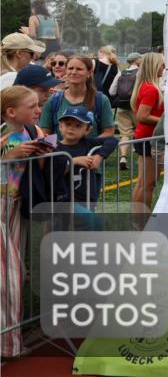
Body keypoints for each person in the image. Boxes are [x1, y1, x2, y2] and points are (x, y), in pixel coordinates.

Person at [0, 86, 48, 358]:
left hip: (15, 205)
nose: (38, 109)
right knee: (10, 274)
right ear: (11, 112)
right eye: (32, 106)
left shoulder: (32, 132)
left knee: (14, 271)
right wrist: (6, 158)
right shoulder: (5, 134)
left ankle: (10, 340)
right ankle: (8, 345)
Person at [53, 106, 117, 209]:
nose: (71, 128)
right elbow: (53, 172)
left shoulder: (88, 143)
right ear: (60, 126)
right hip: (62, 202)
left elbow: (112, 140)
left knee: (88, 224)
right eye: (67, 124)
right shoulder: (54, 147)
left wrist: (99, 156)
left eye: (78, 125)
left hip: (86, 199)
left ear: (87, 130)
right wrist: (74, 161)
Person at [39, 55, 115, 140]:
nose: (74, 72)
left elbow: (109, 132)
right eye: (70, 68)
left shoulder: (101, 100)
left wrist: (86, 146)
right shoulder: (53, 100)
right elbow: (45, 132)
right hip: (61, 152)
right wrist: (58, 147)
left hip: (90, 152)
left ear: (90, 73)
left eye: (79, 69)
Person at [130, 53, 164, 212]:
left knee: (143, 183)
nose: (164, 68)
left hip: (143, 137)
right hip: (148, 139)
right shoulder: (151, 89)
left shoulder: (145, 86)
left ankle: (137, 220)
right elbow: (142, 115)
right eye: (162, 65)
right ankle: (141, 221)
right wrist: (165, 121)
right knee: (147, 184)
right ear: (154, 66)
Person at [109, 52, 142, 170]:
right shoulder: (141, 73)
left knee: (124, 134)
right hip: (137, 107)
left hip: (122, 107)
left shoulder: (120, 73)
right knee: (141, 132)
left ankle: (123, 157)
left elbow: (112, 91)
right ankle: (141, 158)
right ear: (137, 60)